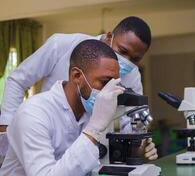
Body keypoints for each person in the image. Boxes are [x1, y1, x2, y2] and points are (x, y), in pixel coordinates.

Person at [0, 40, 157, 176]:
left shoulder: (91, 109)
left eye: (114, 84)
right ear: (77, 76)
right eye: (104, 82)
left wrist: (136, 151)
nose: (109, 92)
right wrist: (94, 129)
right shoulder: (33, 114)